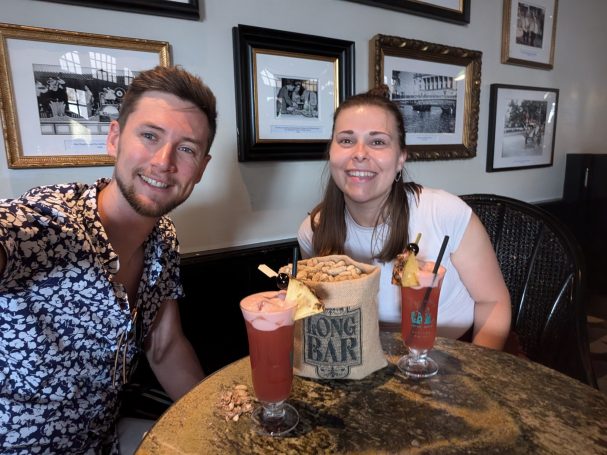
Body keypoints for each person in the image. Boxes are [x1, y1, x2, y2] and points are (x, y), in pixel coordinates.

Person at [0, 65, 216, 453]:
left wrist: (216, 425)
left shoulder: (163, 238)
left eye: (187, 149)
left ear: (201, 167)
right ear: (114, 138)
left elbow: (164, 346)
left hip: (105, 439)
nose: (164, 161)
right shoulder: (49, 222)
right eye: (149, 136)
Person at [297, 85, 511, 350]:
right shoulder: (314, 230)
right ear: (331, 153)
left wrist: (478, 374)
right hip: (362, 360)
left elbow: (493, 303)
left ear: (400, 158)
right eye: (346, 140)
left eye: (377, 142)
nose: (360, 153)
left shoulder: (445, 212)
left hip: (455, 357)